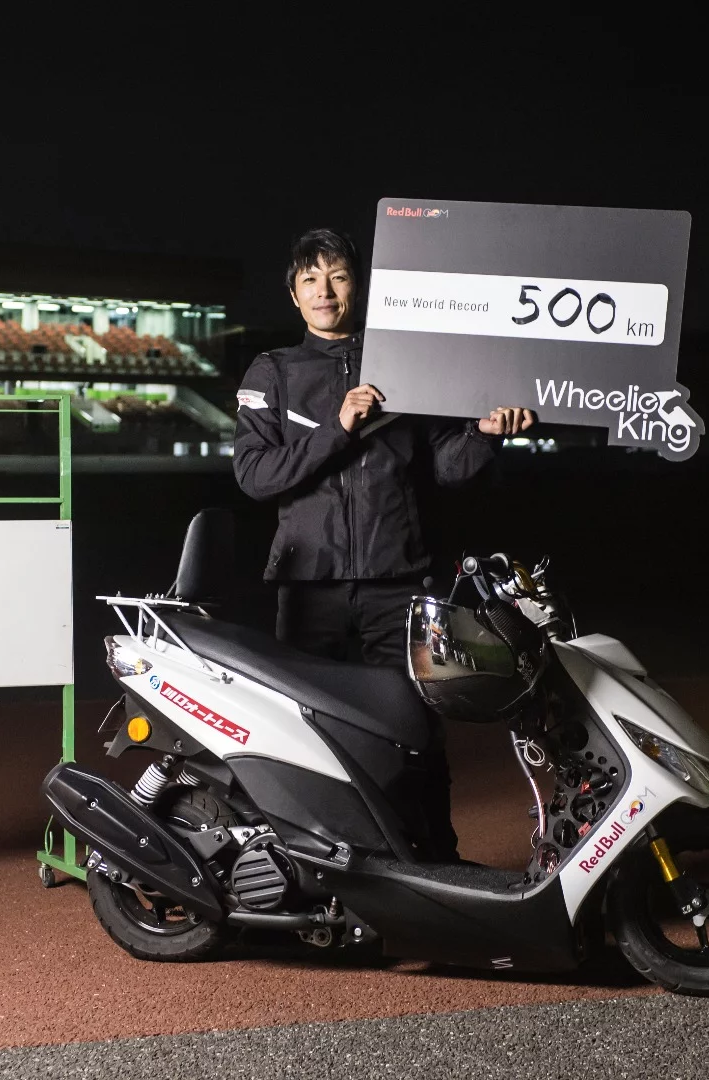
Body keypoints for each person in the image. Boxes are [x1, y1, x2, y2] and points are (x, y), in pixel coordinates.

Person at [232, 227, 534, 858]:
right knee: (302, 729)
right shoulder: (273, 371)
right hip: (308, 588)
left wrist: (484, 435)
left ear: (359, 286)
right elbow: (256, 475)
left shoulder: (405, 364)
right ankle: (311, 863)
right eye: (310, 280)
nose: (325, 291)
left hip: (398, 583)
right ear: (294, 294)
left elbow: (446, 466)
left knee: (414, 729)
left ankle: (437, 863)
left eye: (338, 276)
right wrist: (337, 428)